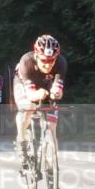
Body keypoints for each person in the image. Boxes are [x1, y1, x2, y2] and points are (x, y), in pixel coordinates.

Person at [13, 35, 67, 173]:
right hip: (24, 83)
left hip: (45, 83)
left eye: (51, 60)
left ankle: (51, 166)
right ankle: (22, 143)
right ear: (36, 55)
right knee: (28, 107)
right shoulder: (27, 62)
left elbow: (59, 89)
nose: (48, 64)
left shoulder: (61, 63)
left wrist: (56, 92)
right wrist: (38, 94)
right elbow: (31, 95)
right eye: (44, 60)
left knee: (52, 127)